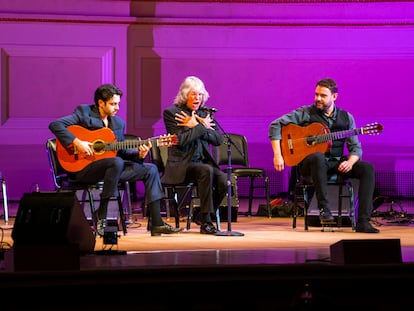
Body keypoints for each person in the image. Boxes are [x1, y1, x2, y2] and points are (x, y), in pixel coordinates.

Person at [48, 83, 183, 237]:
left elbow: (120, 151)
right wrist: (77, 142)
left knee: (150, 169)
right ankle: (103, 213)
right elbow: (55, 125)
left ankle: (157, 223)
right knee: (116, 162)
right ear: (100, 103)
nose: (117, 108)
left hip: (111, 170)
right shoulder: (84, 113)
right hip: (84, 169)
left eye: (118, 103)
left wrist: (139, 154)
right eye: (113, 104)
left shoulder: (118, 123)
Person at [268, 78, 379, 233]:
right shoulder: (306, 113)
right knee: (318, 157)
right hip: (310, 165)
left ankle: (363, 221)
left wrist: (351, 162)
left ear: (334, 97)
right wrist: (278, 155)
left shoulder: (347, 118)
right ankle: (324, 210)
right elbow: (275, 125)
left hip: (335, 163)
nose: (318, 99)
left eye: (323, 95)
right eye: (316, 94)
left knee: (367, 168)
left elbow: (356, 148)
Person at [162, 76, 227, 234]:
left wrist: (196, 125)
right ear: (185, 95)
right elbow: (182, 140)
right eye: (193, 94)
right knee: (206, 170)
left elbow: (218, 139)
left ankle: (201, 214)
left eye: (200, 95)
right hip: (182, 165)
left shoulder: (204, 113)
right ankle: (207, 223)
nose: (197, 98)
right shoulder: (172, 113)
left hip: (202, 163)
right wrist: (201, 127)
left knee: (223, 180)